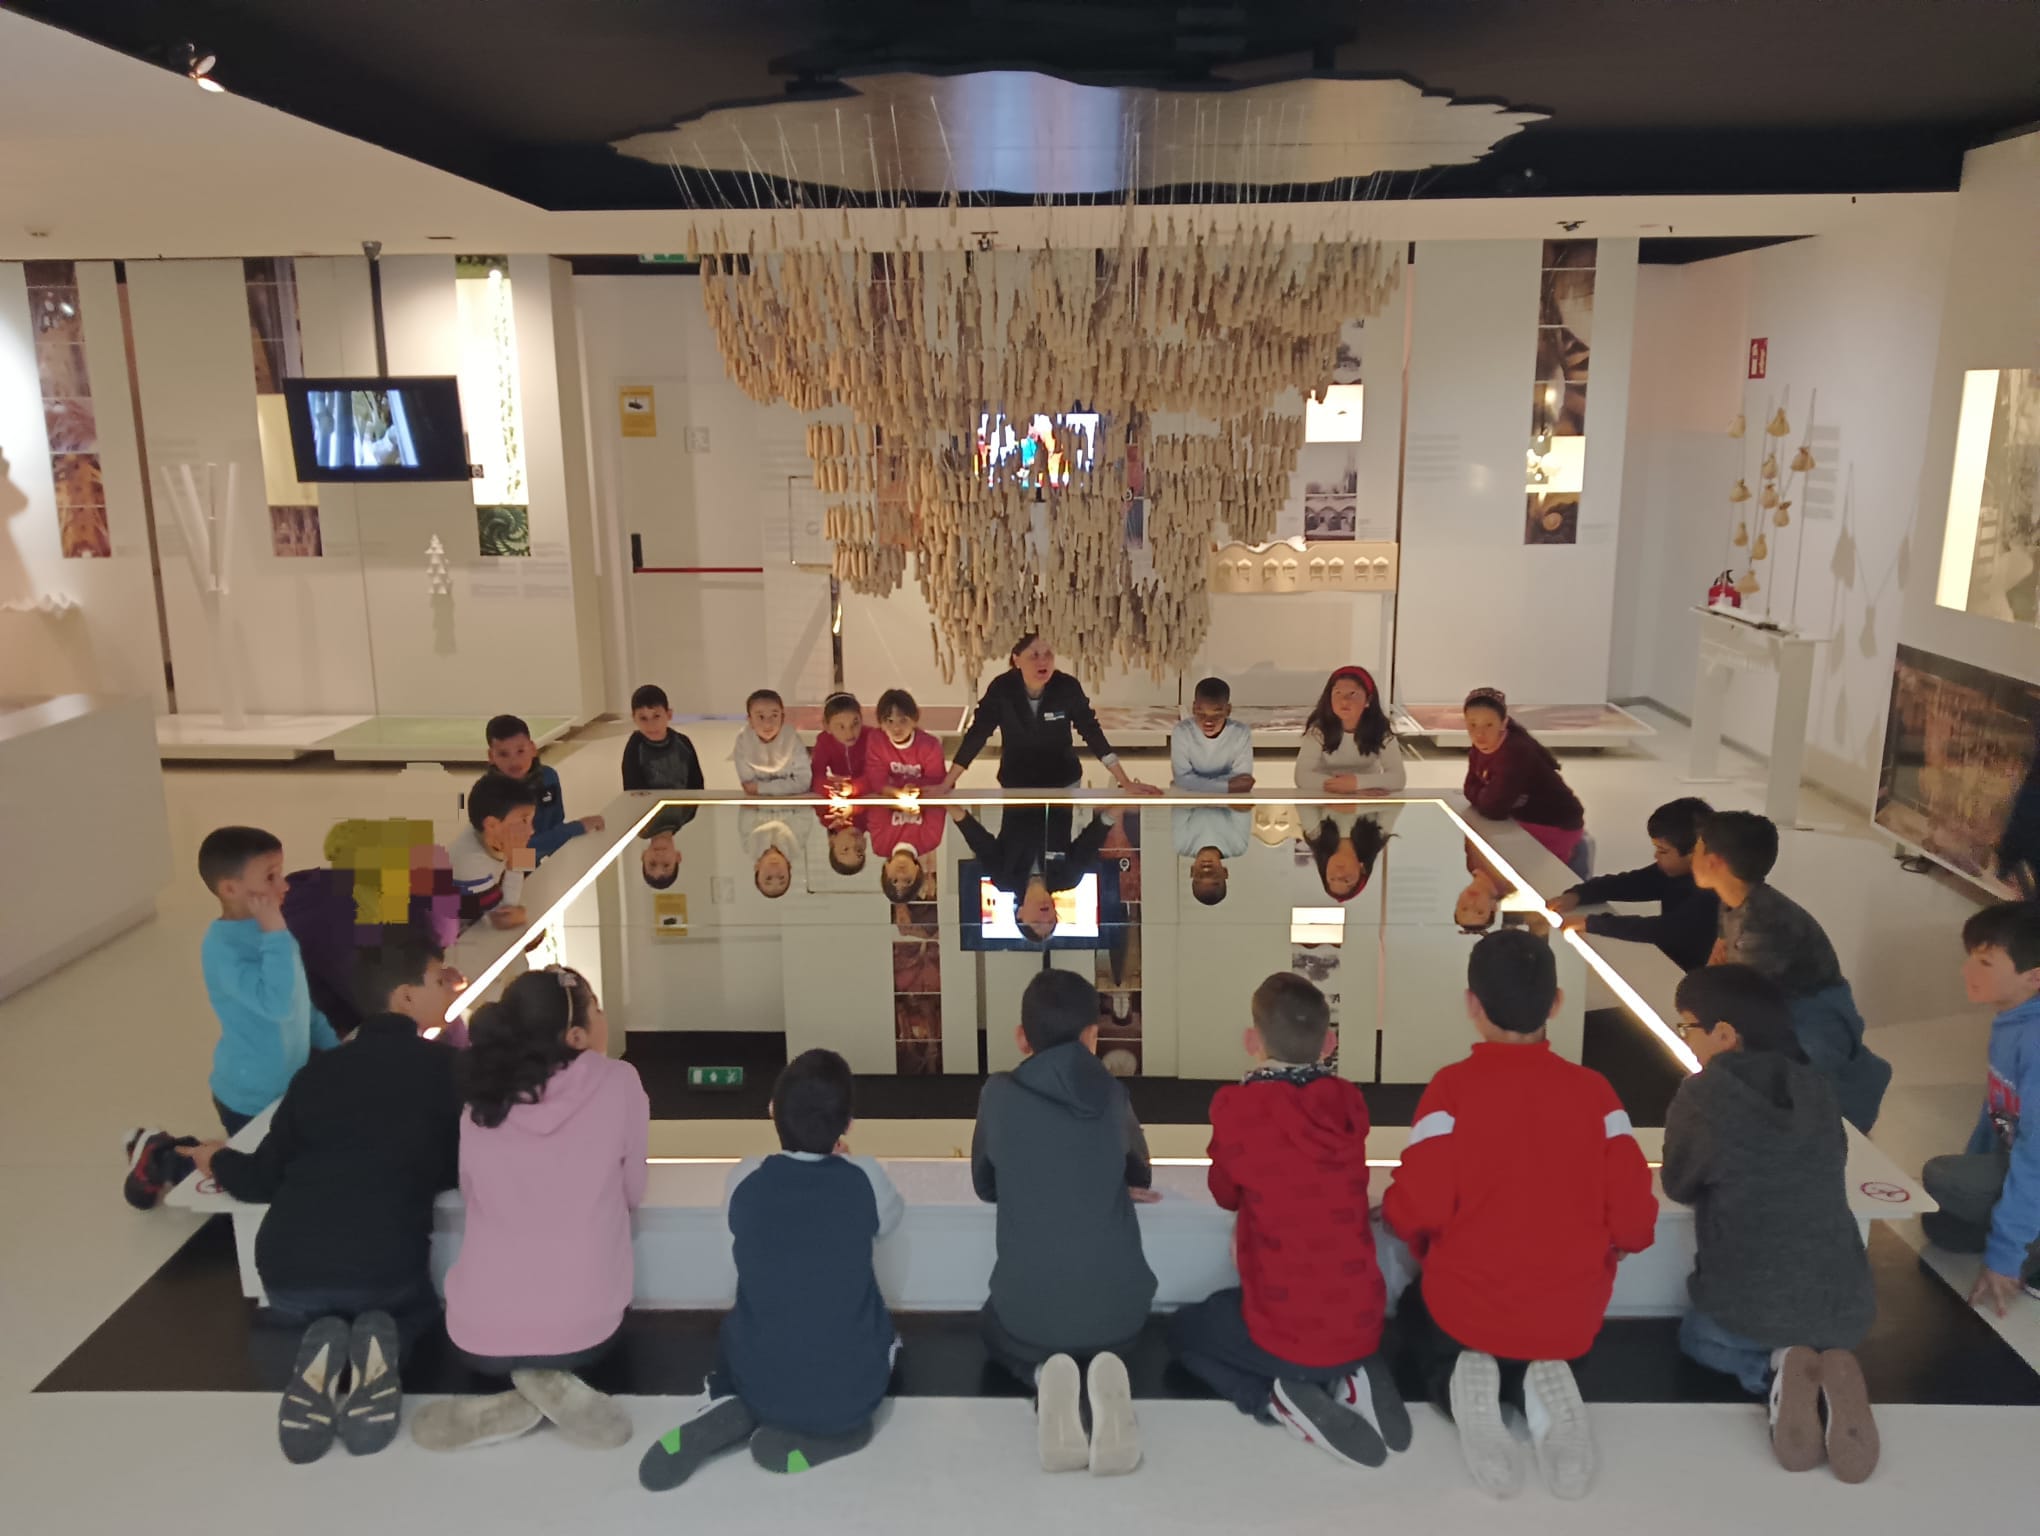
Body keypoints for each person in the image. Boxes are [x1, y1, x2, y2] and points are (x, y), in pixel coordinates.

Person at [1382, 929, 1658, 1500]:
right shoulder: (1597, 1093)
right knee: (1547, 1335)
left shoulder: (1450, 1090)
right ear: (1556, 1003)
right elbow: (1636, 1222)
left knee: (1416, 1314)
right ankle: (1541, 1382)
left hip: (1465, 1310)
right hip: (1568, 1318)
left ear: (1471, 1004)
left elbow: (1416, 1210)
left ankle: (1458, 1381)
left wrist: (1396, 1215)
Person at [181, 935, 465, 1464]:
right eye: (438, 979)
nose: (449, 987)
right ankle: (384, 1342)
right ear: (405, 996)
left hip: (285, 1270)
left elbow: (259, 1180)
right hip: (383, 1269)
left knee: (321, 1302)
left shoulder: (316, 1074)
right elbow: (464, 1167)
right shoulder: (448, 1070)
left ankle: (319, 1346)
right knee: (417, 1310)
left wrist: (216, 1158)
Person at [1169, 974, 1410, 1467]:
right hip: (1364, 1321)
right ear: (1329, 1042)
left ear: (1251, 1041)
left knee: (1184, 1334)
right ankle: (1353, 1371)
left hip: (1284, 1328)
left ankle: (1274, 1399)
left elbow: (1224, 1193)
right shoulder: (1349, 1103)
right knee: (1325, 1327)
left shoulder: (1238, 1108)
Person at [640, 1050, 903, 1489]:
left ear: (771, 1112)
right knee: (881, 1338)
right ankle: (846, 1433)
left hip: (758, 1375)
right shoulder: (866, 1178)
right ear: (848, 1124)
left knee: (744, 1320)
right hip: (850, 1394)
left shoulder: (745, 1178)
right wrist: (850, 1163)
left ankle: (731, 1400)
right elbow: (890, 1221)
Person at [414, 967, 649, 1454]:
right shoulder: (619, 1081)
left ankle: (521, 1389)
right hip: (588, 1332)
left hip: (476, 1335)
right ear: (576, 1035)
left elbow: (471, 1192)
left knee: (501, 1337)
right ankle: (546, 1384)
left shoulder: (481, 1100)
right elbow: (633, 1192)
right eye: (597, 1008)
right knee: (578, 1335)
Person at [1662, 965, 1878, 1482]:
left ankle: (1774, 1370)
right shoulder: (1817, 1087)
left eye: (1688, 1026)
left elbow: (1678, 1183)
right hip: (1846, 1307)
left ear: (1725, 1034)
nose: (1686, 1038)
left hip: (1752, 1302)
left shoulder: (1704, 1095)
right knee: (1799, 1319)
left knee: (1698, 1338)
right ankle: (1823, 1372)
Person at [972, 970, 1158, 1475]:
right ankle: (1103, 1375)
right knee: (1104, 1325)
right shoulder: (1113, 1096)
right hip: (1122, 1324)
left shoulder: (998, 1095)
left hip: (1025, 1325)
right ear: (1092, 1036)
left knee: (991, 1323)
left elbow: (985, 1186)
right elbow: (1140, 1172)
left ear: (1021, 1037)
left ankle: (1043, 1377)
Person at [1691, 810, 1891, 1133]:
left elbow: (1744, 995)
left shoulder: (1763, 924)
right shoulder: (1735, 902)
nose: (1693, 856)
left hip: (1812, 1019)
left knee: (1806, 1106)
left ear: (1715, 862)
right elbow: (1725, 966)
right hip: (1784, 1006)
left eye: (1698, 848)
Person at [1921, 901, 2040, 1315]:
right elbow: (1998, 1112)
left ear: (2034, 977)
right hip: (2019, 1157)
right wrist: (1973, 1168)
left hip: (2035, 1162)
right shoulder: (2013, 1018)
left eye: (1985, 962)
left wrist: (2004, 1255)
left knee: (1942, 1178)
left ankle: (2026, 1246)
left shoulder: (2035, 1041)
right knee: (1942, 1223)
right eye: (1970, 957)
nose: (1966, 970)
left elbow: (2036, 1156)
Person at [198, 827, 340, 1135]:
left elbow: (300, 999)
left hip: (289, 1083)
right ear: (230, 889)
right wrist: (275, 932)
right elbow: (279, 1004)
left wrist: (335, 1049)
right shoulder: (224, 950)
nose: (284, 885)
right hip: (250, 1100)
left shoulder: (271, 930)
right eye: (270, 877)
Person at [939, 634, 1159, 794]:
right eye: (1034, 655)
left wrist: (1124, 781)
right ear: (1016, 659)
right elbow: (978, 733)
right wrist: (948, 782)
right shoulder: (1002, 689)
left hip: (1064, 780)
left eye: (1048, 654)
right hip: (1016, 783)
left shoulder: (1067, 687)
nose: (1042, 661)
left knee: (1059, 840)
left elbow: (1091, 731)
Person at [1550, 797, 1717, 972]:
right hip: (1669, 965)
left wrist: (1593, 923)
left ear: (1694, 853)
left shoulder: (1712, 892)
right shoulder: (1672, 872)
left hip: (1694, 974)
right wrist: (1579, 894)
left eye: (1663, 851)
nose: (1656, 856)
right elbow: (1628, 883)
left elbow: (1667, 929)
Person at [1461, 688, 1590, 878]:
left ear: (1503, 723)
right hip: (1523, 817)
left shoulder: (1516, 751)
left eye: (1488, 724)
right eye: (1472, 725)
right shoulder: (1481, 747)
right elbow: (1469, 789)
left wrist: (1486, 795)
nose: (1479, 733)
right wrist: (1487, 795)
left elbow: (1494, 808)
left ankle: (1575, 856)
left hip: (1554, 825)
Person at [954, 805, 1116, 943]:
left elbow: (977, 838)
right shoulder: (1068, 877)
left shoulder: (1004, 877)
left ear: (1020, 914)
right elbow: (1095, 835)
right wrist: (1123, 803)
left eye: (1037, 922)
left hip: (1018, 788)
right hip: (1061, 788)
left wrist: (946, 802)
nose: (1045, 918)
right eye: (1051, 921)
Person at [486, 714, 603, 862]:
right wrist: (577, 828)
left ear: (532, 748)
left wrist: (560, 859)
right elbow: (516, 853)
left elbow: (556, 824)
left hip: (537, 860)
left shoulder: (548, 777)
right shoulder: (490, 794)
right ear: (491, 756)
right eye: (503, 754)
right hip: (503, 866)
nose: (514, 761)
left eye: (520, 751)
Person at [1294, 666, 1405, 796]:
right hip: (1327, 796)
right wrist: (1347, 787)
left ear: (1368, 700)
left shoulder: (1380, 731)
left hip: (1367, 798)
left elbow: (1398, 778)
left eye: (1353, 694)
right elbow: (1301, 776)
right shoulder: (1318, 731)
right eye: (1338, 693)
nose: (1344, 700)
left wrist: (1357, 783)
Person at [450, 772, 539, 931]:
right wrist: (515, 861)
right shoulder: (471, 865)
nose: (531, 830)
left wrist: (518, 857)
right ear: (491, 825)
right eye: (524, 820)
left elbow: (525, 874)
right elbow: (504, 917)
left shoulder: (492, 833)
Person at [1171, 676, 1255, 794]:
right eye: (1201, 714)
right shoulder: (1182, 732)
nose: (1208, 722)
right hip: (1189, 799)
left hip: (1230, 799)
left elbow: (1243, 780)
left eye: (1216, 715)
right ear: (1194, 708)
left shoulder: (1240, 733)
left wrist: (1196, 783)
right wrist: (1227, 786)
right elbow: (1182, 779)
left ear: (1228, 710)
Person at [621, 684, 706, 793]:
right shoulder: (635, 747)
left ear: (669, 714)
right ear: (634, 718)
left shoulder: (683, 743)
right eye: (643, 718)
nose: (651, 725)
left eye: (656, 716)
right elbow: (632, 791)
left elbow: (697, 785)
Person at [865, 688, 948, 795]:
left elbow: (936, 781)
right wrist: (899, 793)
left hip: (924, 796)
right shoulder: (876, 741)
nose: (896, 727)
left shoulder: (930, 745)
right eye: (890, 721)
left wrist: (914, 790)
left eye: (903, 720)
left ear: (915, 719)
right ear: (881, 723)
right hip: (890, 796)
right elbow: (876, 781)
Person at [1302, 808, 1392, 904]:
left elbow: (1304, 803)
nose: (1338, 873)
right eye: (1346, 880)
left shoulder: (1316, 837)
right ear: (1362, 870)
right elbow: (1393, 805)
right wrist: (1354, 807)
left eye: (1332, 878)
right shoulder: (1376, 839)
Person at [734, 688, 811, 796]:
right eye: (761, 717)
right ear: (750, 720)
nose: (768, 724)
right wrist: (787, 786)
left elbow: (803, 782)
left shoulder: (792, 739)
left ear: (782, 717)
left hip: (792, 803)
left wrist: (761, 788)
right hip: (757, 804)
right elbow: (749, 787)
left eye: (774, 715)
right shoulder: (743, 741)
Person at [1175, 804, 1251, 907]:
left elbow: (1180, 803)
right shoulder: (1237, 847)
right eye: (1213, 874)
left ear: (1192, 871)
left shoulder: (1182, 845)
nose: (1206, 869)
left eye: (1200, 875)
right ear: (1225, 872)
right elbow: (1243, 805)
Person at [743, 807, 800, 899]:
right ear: (789, 867)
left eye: (768, 878)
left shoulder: (750, 843)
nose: (775, 870)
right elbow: (804, 809)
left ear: (757, 867)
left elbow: (747, 808)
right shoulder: (797, 841)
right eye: (781, 877)